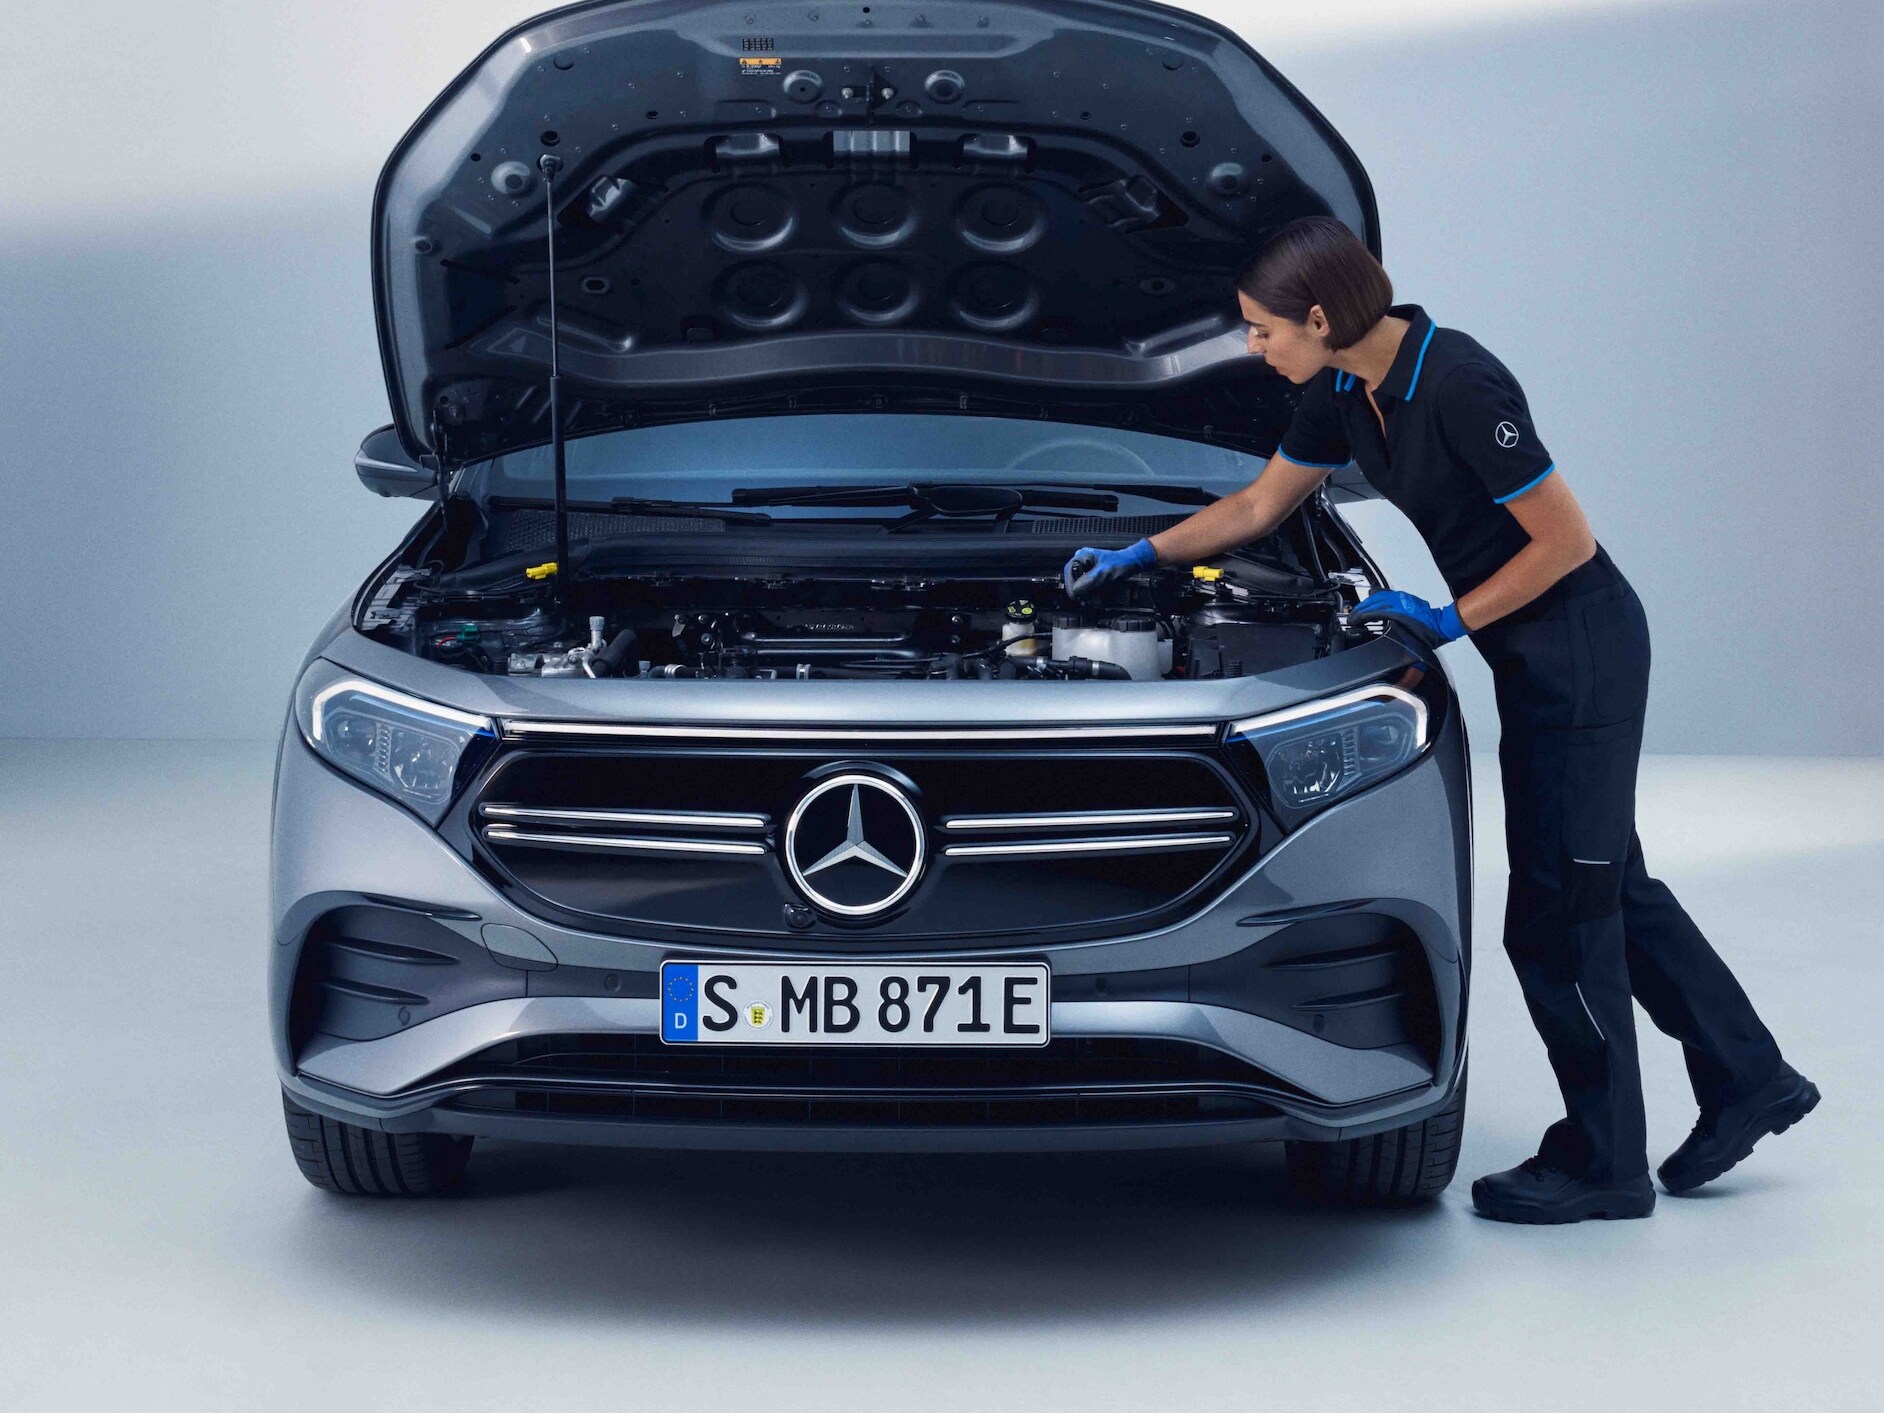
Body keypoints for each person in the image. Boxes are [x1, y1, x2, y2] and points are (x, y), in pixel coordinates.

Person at [1062, 216, 1818, 1223]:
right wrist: (1141, 556)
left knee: (1559, 913)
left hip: (1580, 655)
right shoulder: (1341, 390)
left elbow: (1566, 542)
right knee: (1612, 885)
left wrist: (1446, 618)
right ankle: (1751, 1080)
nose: (1251, 347)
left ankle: (1605, 1161)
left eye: (1260, 330)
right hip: (1533, 656)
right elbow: (1257, 509)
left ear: (1321, 317)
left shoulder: (1458, 382)